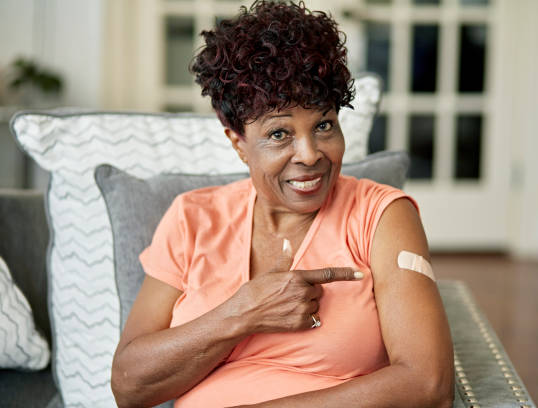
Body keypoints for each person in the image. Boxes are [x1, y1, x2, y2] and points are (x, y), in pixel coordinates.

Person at [110, 1, 454, 407]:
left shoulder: (380, 216)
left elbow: (429, 385)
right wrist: (244, 312)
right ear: (238, 143)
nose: (310, 154)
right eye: (279, 134)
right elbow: (130, 386)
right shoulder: (192, 218)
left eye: (324, 125)